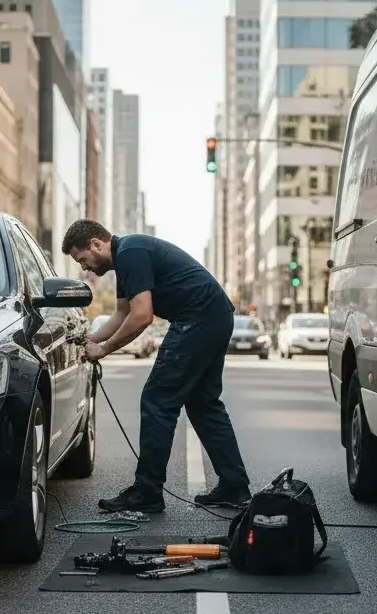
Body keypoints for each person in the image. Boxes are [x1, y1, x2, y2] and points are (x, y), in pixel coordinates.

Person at [62, 219, 252, 513]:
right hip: (213, 315)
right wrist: (90, 338)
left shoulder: (131, 252)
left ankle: (147, 491)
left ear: (96, 244)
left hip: (198, 319)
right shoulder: (127, 255)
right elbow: (121, 313)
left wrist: (103, 349)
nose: (86, 269)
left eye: (83, 260)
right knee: (203, 404)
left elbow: (141, 316)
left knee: (157, 399)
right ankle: (234, 486)